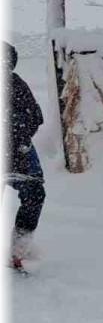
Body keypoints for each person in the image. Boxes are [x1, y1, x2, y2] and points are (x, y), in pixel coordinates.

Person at [5, 41, 45, 270]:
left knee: (35, 192)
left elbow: (35, 116)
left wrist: (17, 133)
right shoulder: (17, 84)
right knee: (35, 193)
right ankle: (16, 250)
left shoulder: (17, 85)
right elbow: (36, 117)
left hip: (19, 153)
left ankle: (17, 250)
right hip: (18, 152)